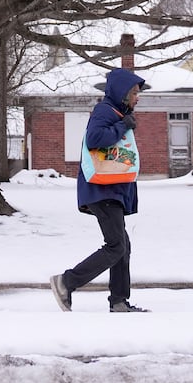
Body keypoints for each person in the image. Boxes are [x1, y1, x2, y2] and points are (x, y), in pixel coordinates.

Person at [50, 66, 149, 313]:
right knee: (116, 246)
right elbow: (95, 139)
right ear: (123, 92)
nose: (138, 97)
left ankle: (118, 301)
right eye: (135, 92)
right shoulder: (105, 111)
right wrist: (122, 126)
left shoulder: (116, 112)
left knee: (122, 245)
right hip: (101, 190)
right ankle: (66, 282)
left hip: (109, 191)